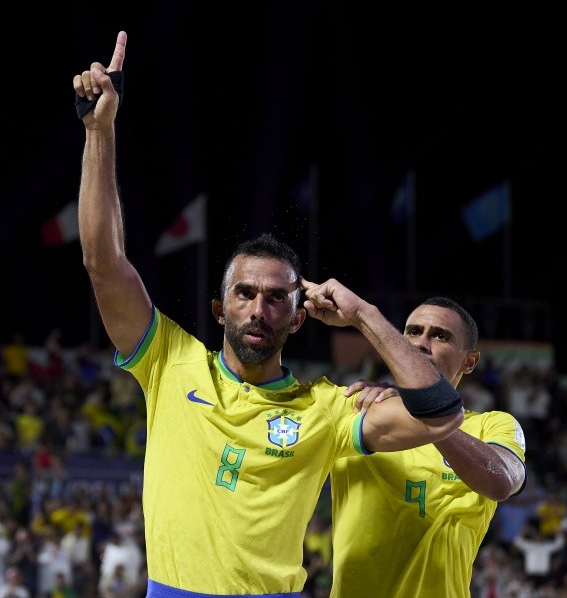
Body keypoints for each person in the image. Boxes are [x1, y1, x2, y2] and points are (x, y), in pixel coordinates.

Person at [71, 31, 464, 597]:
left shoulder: (327, 408)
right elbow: (103, 262)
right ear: (219, 308)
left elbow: (442, 416)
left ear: (298, 317)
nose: (260, 308)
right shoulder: (170, 362)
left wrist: (365, 316)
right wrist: (100, 131)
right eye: (246, 293)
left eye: (278, 297)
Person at [328, 297, 527, 598]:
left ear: (468, 361)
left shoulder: (492, 425)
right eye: (412, 332)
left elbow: (503, 481)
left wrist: (424, 414)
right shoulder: (354, 410)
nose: (421, 343)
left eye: (440, 336)